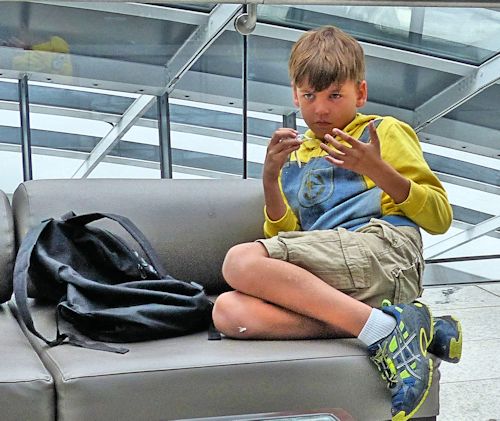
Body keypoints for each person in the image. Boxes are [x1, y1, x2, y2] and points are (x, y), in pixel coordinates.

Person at [212, 25, 462, 421]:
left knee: (239, 262)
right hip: (339, 273)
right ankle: (399, 325)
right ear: (295, 95)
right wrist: (271, 179)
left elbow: (439, 217)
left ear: (360, 93)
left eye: (334, 95)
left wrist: (376, 169)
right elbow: (285, 239)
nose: (321, 110)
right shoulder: (296, 154)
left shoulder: (381, 132)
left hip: (384, 251)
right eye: (309, 96)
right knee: (229, 313)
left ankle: (386, 332)